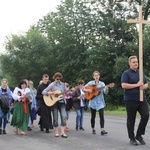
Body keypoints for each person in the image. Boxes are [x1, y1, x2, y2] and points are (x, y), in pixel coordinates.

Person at [121, 55, 149, 146]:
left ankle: (139, 135)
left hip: (142, 99)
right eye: (134, 62)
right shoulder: (126, 73)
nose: (136, 63)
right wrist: (137, 85)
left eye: (137, 61)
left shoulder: (140, 73)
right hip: (131, 100)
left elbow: (146, 84)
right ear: (129, 63)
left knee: (146, 115)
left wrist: (143, 86)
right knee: (131, 119)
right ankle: (132, 138)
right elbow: (124, 85)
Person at [42, 72, 68, 138]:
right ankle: (56, 132)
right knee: (55, 118)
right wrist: (51, 93)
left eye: (59, 79)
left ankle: (63, 132)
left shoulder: (63, 84)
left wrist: (70, 91)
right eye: (57, 79)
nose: (58, 80)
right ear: (54, 78)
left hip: (62, 102)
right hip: (54, 103)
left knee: (64, 116)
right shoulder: (52, 85)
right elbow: (44, 92)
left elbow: (66, 91)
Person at [84, 71, 109, 135]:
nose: (96, 77)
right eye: (95, 75)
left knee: (101, 115)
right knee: (93, 116)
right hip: (93, 101)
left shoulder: (102, 84)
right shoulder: (90, 83)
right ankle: (93, 128)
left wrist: (106, 89)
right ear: (93, 77)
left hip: (100, 101)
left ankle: (102, 129)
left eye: (97, 75)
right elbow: (83, 88)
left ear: (99, 76)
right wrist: (89, 90)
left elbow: (105, 92)